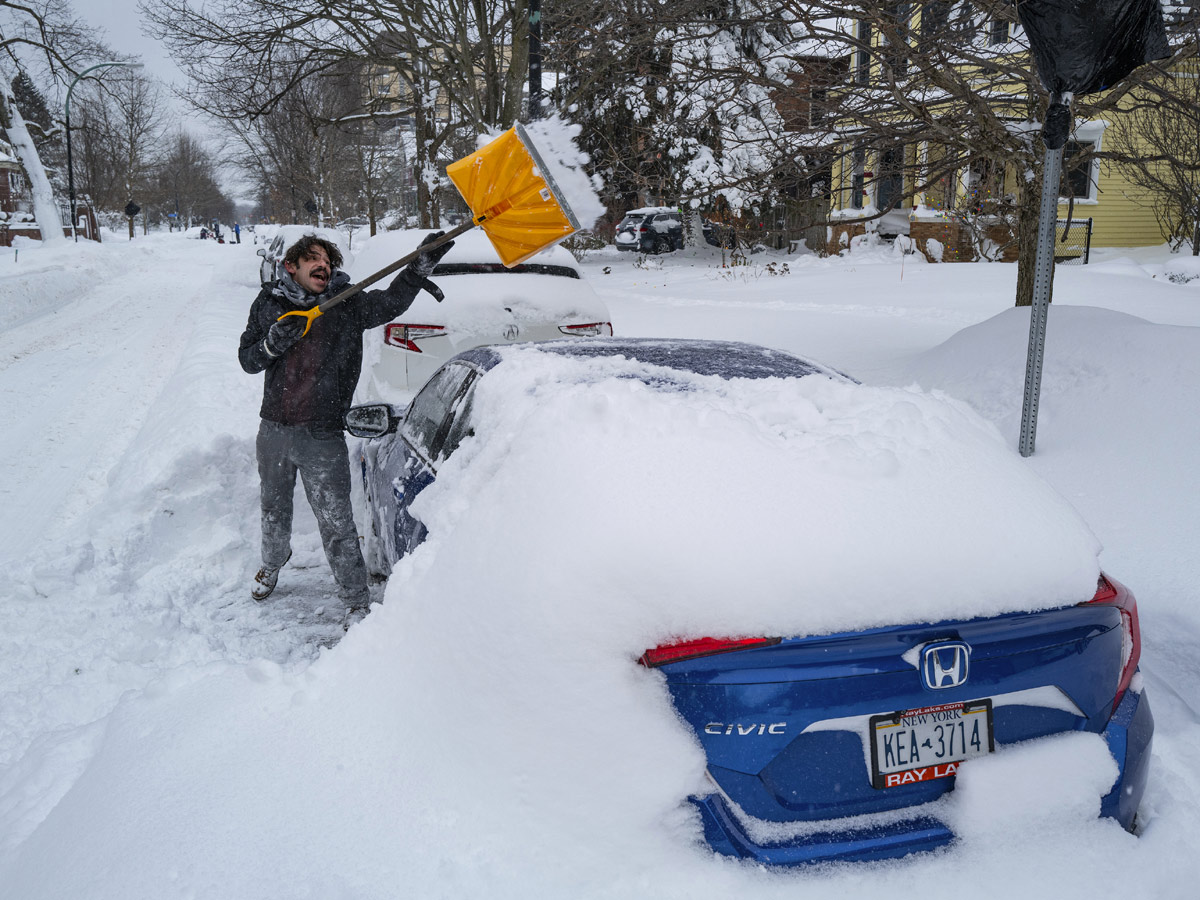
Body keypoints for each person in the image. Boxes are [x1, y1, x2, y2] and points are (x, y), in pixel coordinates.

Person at [238, 231, 453, 618]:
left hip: (322, 433)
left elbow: (389, 303)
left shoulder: (346, 303)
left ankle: (355, 599)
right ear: (292, 266)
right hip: (273, 429)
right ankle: (272, 563)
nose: (323, 265)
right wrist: (272, 343)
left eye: (328, 261)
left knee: (336, 520)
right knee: (273, 507)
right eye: (314, 259)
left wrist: (420, 265)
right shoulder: (269, 302)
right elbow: (248, 359)